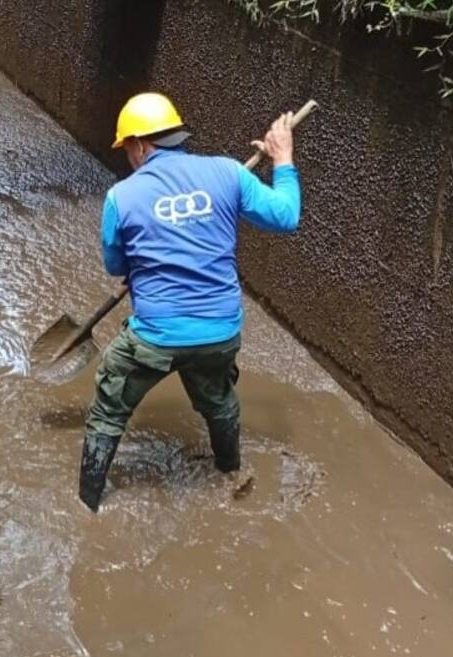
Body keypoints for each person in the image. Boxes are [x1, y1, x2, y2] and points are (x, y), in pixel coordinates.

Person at [79, 92, 302, 512]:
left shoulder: (121, 197)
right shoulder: (229, 173)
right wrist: (283, 159)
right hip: (220, 332)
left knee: (109, 407)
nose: (128, 157)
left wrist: (141, 259)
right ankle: (230, 470)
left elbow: (115, 265)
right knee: (218, 400)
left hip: (155, 336)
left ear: (139, 145)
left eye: (127, 149)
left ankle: (87, 502)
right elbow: (286, 215)